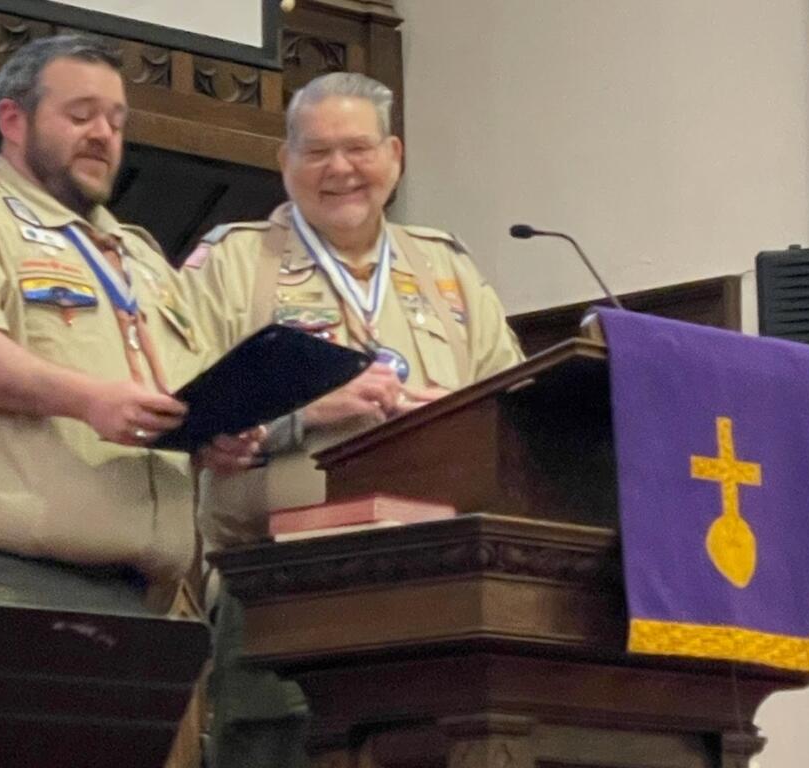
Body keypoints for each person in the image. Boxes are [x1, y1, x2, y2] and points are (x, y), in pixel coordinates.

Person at [181, 72, 526, 768]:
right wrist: (308, 414)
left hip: (435, 591)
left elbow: (512, 423)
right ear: (285, 162)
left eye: (359, 149)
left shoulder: (449, 270)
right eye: (316, 151)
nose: (340, 169)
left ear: (394, 156)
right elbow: (176, 424)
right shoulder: (232, 264)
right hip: (282, 587)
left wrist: (448, 418)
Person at [0, 33, 263, 618]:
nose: (103, 134)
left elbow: (178, 394)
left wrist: (213, 436)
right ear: (13, 119)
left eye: (116, 121)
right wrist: (88, 399)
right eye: (80, 115)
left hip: (138, 596)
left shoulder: (142, 257)